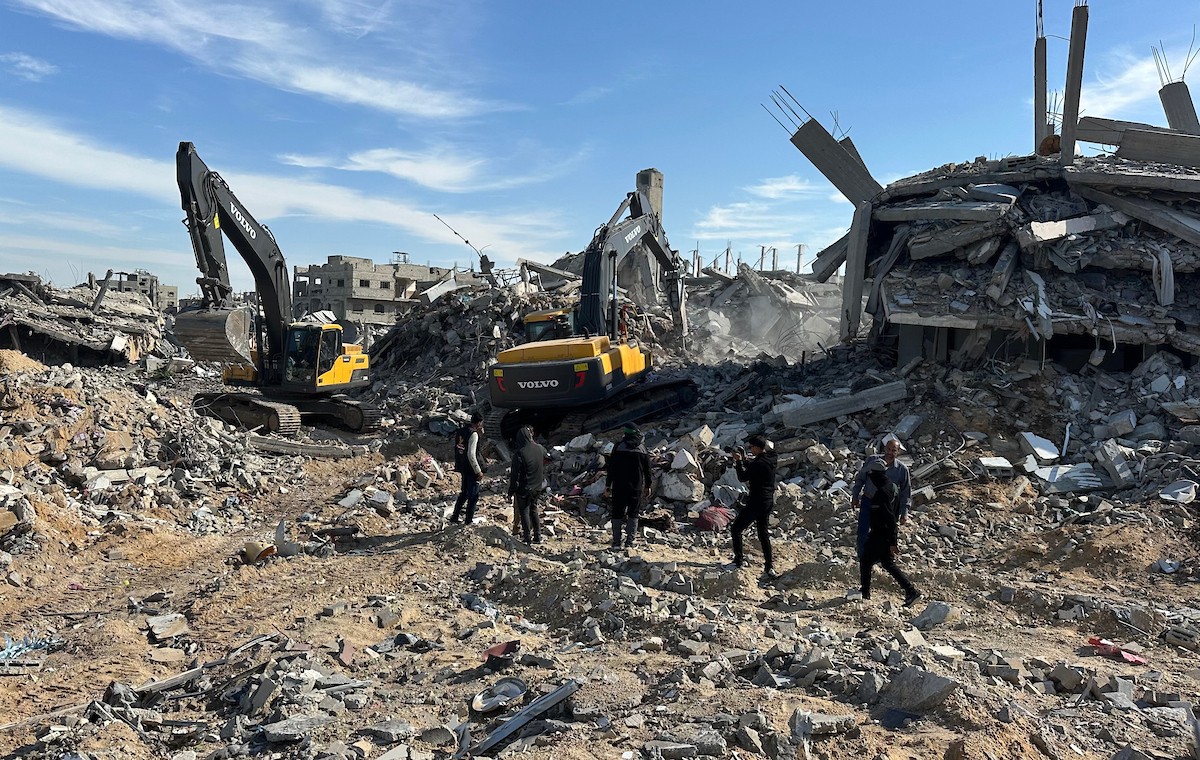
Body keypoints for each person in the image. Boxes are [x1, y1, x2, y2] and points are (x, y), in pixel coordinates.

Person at [859, 459, 921, 606]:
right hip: (884, 533)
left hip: (881, 534)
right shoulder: (892, 486)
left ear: (874, 474)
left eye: (870, 474)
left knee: (866, 560)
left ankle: (865, 594)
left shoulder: (882, 493)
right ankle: (911, 592)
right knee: (887, 564)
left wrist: (893, 542)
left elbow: (890, 518)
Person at [850, 437, 911, 559]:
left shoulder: (902, 470)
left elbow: (906, 492)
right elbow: (860, 479)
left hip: (886, 506)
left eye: (893, 450)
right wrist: (855, 496)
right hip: (868, 501)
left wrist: (904, 512)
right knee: (863, 531)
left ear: (898, 452)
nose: (890, 452)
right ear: (884, 449)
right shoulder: (872, 461)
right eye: (888, 449)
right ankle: (862, 558)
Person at [728, 434, 779, 579]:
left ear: (757, 448)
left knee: (736, 529)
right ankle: (769, 567)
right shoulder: (771, 459)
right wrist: (745, 460)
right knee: (763, 534)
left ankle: (738, 561)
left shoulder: (758, 463)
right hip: (768, 501)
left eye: (751, 447)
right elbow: (755, 466)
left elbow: (743, 477)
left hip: (756, 501)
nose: (750, 450)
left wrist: (738, 462)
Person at [604, 424, 652, 550]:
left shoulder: (618, 447)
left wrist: (608, 485)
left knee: (617, 513)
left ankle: (616, 543)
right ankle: (629, 542)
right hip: (636, 487)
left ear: (625, 434)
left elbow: (611, 468)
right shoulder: (642, 449)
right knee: (633, 513)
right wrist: (648, 485)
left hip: (619, 486)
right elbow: (648, 470)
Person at [508, 426, 547, 544]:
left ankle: (527, 537)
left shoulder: (520, 453)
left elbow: (514, 476)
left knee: (524, 511)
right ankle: (538, 536)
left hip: (524, 488)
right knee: (533, 510)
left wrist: (511, 491)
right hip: (537, 487)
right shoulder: (540, 448)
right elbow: (547, 457)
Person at [450, 412, 485, 524]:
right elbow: (472, 454)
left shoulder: (461, 431)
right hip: (471, 468)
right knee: (473, 496)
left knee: (464, 493)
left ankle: (455, 516)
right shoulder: (473, 434)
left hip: (462, 465)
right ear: (479, 423)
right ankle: (468, 520)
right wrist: (478, 471)